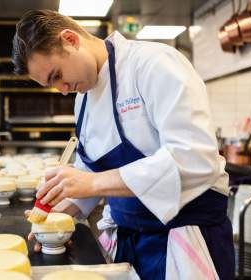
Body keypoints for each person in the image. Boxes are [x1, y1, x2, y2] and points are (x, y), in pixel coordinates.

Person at [12, 10, 235, 280]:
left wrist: (91, 183)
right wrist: (57, 218)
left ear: (70, 39)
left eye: (57, 75)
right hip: (130, 240)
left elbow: (194, 158)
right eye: (52, 85)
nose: (62, 89)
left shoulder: (153, 64)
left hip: (187, 237)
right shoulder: (82, 98)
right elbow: (89, 168)